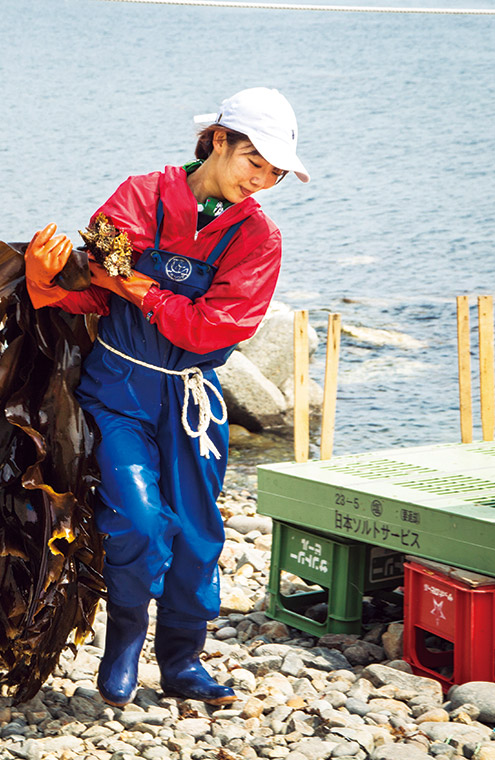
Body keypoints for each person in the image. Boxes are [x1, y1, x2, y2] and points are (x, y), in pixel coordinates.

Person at [24, 88, 310, 706]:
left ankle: (181, 662)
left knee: (200, 535)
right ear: (218, 140)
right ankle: (125, 643)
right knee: (139, 516)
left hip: (192, 399)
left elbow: (216, 327)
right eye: (252, 162)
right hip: (119, 387)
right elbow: (94, 288)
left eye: (274, 174)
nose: (260, 181)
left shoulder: (259, 238)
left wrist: (141, 290)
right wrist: (46, 282)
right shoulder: (140, 195)